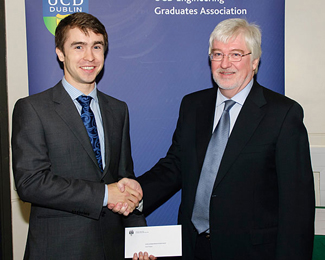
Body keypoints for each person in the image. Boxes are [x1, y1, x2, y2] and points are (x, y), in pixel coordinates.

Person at [122, 18, 315, 260]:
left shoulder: (283, 114)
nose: (225, 64)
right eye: (217, 54)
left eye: (236, 54)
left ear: (254, 61)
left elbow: (297, 206)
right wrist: (137, 192)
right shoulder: (193, 106)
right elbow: (175, 166)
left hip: (251, 252)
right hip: (193, 247)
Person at [12, 12, 146, 260]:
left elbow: (124, 177)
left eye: (97, 46)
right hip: (59, 250)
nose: (90, 57)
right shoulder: (32, 108)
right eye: (78, 46)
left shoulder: (118, 109)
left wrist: (140, 240)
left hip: (113, 249)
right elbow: (30, 183)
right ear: (60, 53)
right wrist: (106, 194)